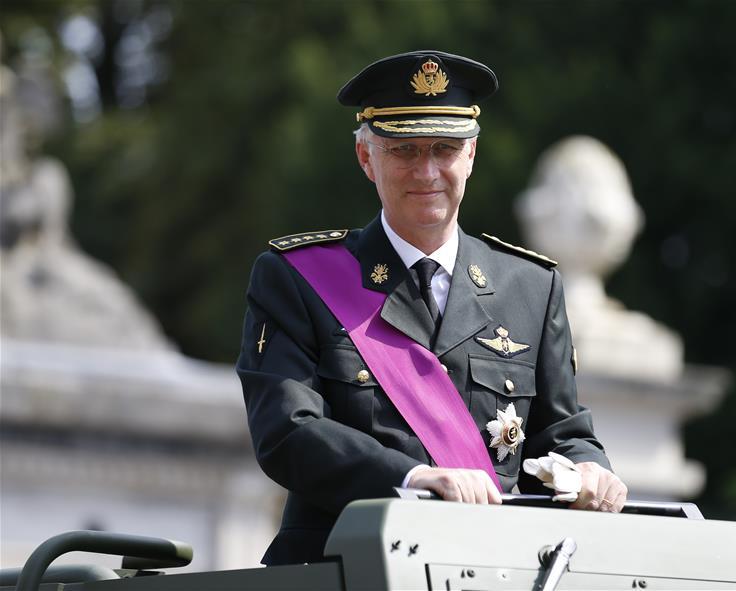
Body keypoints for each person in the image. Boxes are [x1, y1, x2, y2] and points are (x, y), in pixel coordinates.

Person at [237, 50, 627, 566]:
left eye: (444, 148)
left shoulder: (531, 287)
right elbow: (287, 431)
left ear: (471, 155)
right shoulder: (296, 278)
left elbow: (562, 434)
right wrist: (411, 479)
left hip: (492, 569)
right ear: (366, 158)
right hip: (342, 567)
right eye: (404, 150)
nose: (426, 171)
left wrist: (589, 472)